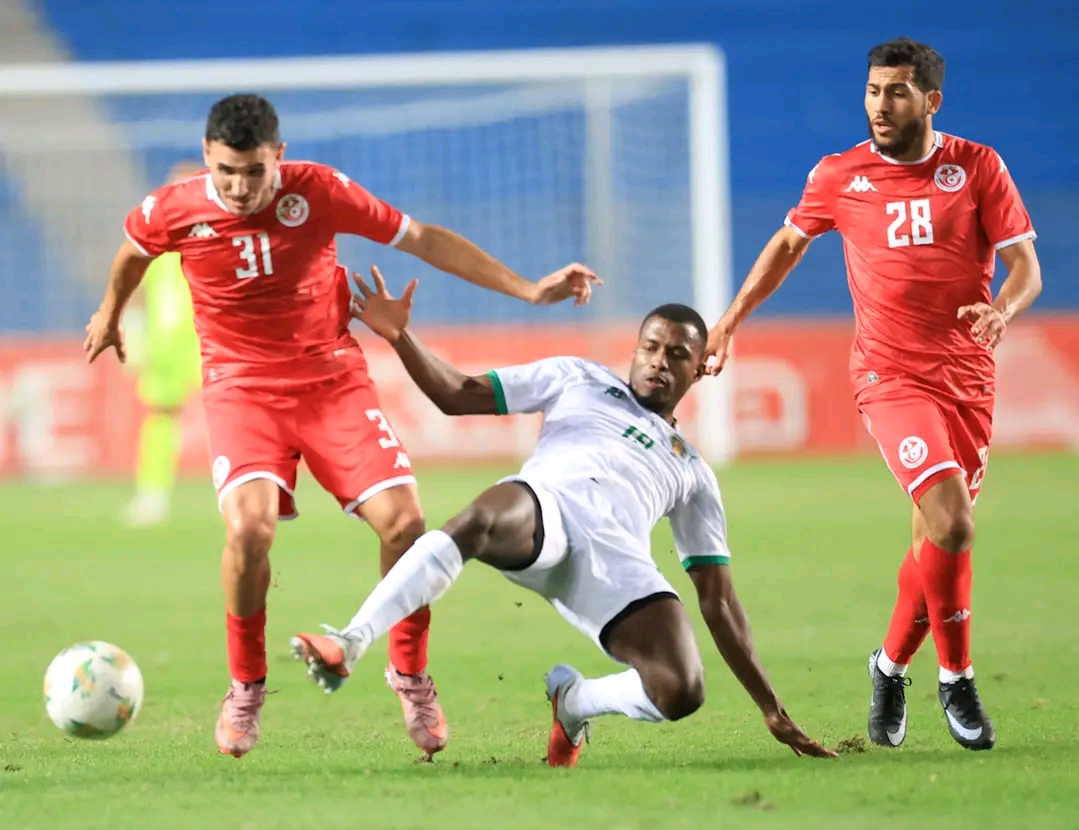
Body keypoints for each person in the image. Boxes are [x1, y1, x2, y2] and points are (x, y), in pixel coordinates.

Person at [83, 94, 599, 759]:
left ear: (280, 157)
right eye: (225, 173)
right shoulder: (173, 207)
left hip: (330, 378)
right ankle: (245, 686)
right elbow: (133, 251)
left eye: (254, 173)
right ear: (208, 159)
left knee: (406, 525)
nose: (239, 189)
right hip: (241, 387)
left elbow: (424, 238)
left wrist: (528, 289)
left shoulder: (319, 191)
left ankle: (409, 675)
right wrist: (109, 312)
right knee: (247, 527)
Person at [291, 267, 836, 766]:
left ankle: (574, 701)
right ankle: (351, 640)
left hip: (615, 567)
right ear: (636, 349)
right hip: (542, 513)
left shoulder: (693, 471)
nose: (659, 362)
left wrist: (770, 705)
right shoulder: (579, 378)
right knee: (479, 517)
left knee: (681, 690)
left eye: (676, 355)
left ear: (701, 367)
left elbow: (717, 600)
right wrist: (399, 336)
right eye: (651, 347)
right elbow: (457, 395)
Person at [702, 38, 1042, 751]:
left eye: (895, 92)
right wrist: (729, 319)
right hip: (888, 377)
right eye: (872, 91)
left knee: (930, 542)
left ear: (930, 100)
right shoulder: (838, 174)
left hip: (966, 378)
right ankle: (957, 679)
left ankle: (887, 667)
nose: (879, 106)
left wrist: (1001, 312)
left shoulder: (977, 167)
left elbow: (1024, 269)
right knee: (951, 524)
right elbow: (786, 246)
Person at [120, 160, 205, 527]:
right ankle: (152, 496)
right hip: (167, 346)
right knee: (160, 417)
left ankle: (246, 493)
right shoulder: (153, 237)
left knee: (238, 413)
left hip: (213, 340)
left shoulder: (220, 235)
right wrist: (134, 332)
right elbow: (135, 287)